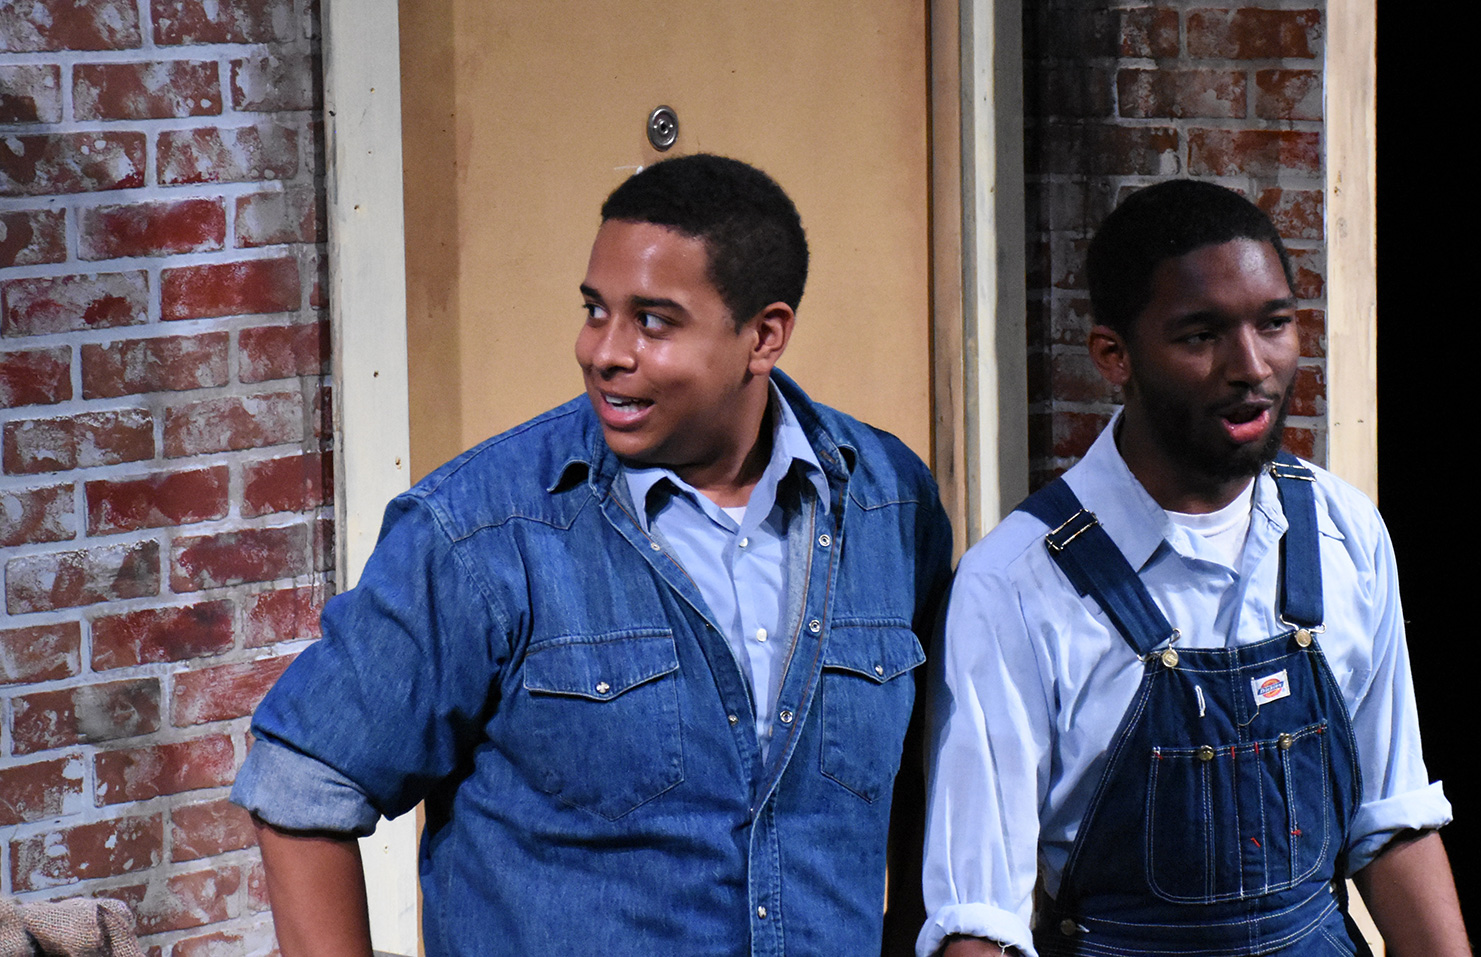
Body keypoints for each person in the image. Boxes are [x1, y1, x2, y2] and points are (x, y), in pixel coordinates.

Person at [233, 154, 953, 957]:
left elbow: (928, 766)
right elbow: (303, 782)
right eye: (594, 309)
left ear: (764, 335)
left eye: (653, 319)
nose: (603, 351)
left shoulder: (890, 502)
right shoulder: (483, 530)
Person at [917, 180, 1468, 957]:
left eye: (1274, 323)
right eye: (1201, 335)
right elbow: (979, 923)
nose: (1252, 366)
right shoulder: (1014, 582)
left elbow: (1393, 823)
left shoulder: (1345, 533)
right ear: (1114, 354)